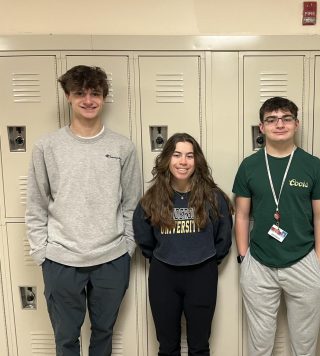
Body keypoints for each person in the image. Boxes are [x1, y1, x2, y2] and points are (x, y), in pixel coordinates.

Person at [25, 65, 142, 356]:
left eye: (95, 93)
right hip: (61, 260)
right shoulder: (47, 147)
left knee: (103, 334)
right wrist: (42, 251)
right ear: (68, 97)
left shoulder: (122, 147)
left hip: (111, 259)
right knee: (66, 338)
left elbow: (132, 204)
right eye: (80, 93)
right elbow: (36, 203)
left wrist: (127, 247)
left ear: (103, 97)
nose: (88, 100)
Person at [233, 97, 320, 356]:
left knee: (304, 344)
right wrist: (244, 257)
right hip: (259, 264)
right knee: (260, 344)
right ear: (261, 127)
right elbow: (241, 215)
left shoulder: (312, 165)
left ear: (296, 124)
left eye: (286, 118)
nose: (280, 124)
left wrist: (318, 262)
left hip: (304, 262)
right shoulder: (249, 166)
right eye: (272, 119)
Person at [133, 132, 233, 356]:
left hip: (202, 275)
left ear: (197, 160)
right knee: (167, 347)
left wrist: (205, 258)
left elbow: (223, 239)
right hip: (164, 276)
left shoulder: (214, 197)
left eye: (189, 155)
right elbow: (144, 238)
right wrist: (163, 255)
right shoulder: (152, 198)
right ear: (167, 159)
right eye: (177, 155)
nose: (183, 161)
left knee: (199, 347)